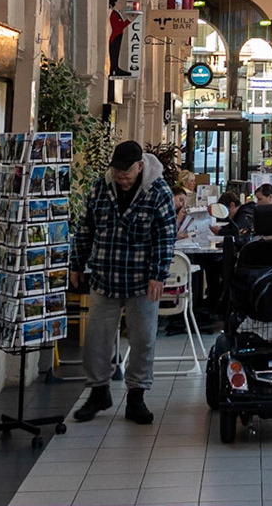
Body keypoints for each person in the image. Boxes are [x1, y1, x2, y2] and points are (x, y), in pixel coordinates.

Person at [71, 140, 177, 425]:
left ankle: (136, 395)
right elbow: (85, 227)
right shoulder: (100, 188)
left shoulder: (158, 191)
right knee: (96, 337)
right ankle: (98, 391)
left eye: (126, 170)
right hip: (105, 276)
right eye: (116, 169)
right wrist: (77, 263)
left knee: (143, 339)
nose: (121, 175)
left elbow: (166, 236)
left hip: (143, 282)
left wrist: (158, 274)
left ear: (140, 165)